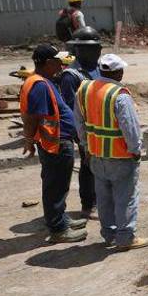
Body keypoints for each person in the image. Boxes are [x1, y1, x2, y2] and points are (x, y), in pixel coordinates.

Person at [75, 53, 148, 252]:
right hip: (120, 156)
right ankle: (125, 238)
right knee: (126, 198)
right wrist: (135, 150)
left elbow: (79, 123)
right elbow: (130, 128)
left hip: (96, 155)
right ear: (118, 72)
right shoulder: (120, 95)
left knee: (104, 198)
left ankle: (109, 234)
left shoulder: (84, 89)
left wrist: (86, 146)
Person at [20, 44, 86, 243]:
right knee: (55, 186)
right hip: (55, 143)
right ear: (48, 63)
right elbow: (32, 117)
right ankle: (58, 229)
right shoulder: (39, 85)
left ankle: (61, 219)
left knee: (59, 185)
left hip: (56, 141)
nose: (61, 65)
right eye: (58, 61)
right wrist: (29, 140)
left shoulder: (41, 81)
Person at [55, 44, 97, 220]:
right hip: (85, 129)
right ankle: (88, 205)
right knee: (88, 167)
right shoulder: (71, 76)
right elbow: (72, 108)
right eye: (92, 49)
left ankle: (100, 200)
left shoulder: (97, 68)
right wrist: (80, 136)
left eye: (98, 48)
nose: (97, 52)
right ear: (79, 50)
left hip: (102, 128)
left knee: (101, 167)